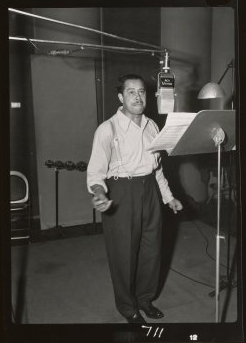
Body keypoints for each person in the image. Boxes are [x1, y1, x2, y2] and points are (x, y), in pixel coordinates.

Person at [87, 74, 183, 323]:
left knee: (151, 250)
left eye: (141, 92)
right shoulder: (107, 129)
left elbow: (158, 168)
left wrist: (168, 197)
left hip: (149, 189)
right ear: (121, 97)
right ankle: (127, 306)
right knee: (124, 253)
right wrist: (99, 193)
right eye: (131, 92)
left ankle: (145, 299)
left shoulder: (152, 126)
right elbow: (96, 171)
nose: (137, 97)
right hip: (121, 192)